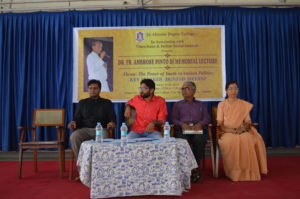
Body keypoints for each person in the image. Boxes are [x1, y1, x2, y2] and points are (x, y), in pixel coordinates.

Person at [217, 81, 268, 181]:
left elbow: (248, 121)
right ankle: (234, 172)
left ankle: (248, 172)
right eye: (230, 88)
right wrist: (230, 130)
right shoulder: (221, 105)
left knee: (247, 139)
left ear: (238, 90)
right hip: (227, 132)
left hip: (242, 130)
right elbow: (219, 123)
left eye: (235, 88)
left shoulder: (243, 104)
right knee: (230, 141)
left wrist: (243, 128)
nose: (233, 91)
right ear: (226, 91)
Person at [171, 81, 210, 183]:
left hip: (197, 129)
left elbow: (207, 118)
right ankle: (186, 169)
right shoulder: (177, 105)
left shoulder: (201, 104)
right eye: (182, 89)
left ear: (193, 91)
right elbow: (174, 119)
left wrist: (200, 124)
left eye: (186, 88)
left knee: (199, 140)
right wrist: (182, 124)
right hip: (183, 130)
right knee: (183, 142)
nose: (183, 91)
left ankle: (194, 168)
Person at [68, 79, 116, 157]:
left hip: (101, 130)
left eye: (95, 88)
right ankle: (81, 162)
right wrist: (73, 122)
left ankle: (101, 162)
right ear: (88, 90)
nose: (92, 90)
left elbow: (112, 118)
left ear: (99, 90)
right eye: (90, 88)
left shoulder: (107, 103)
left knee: (105, 136)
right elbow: (77, 119)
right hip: (85, 130)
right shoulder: (82, 103)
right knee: (74, 136)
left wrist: (111, 123)